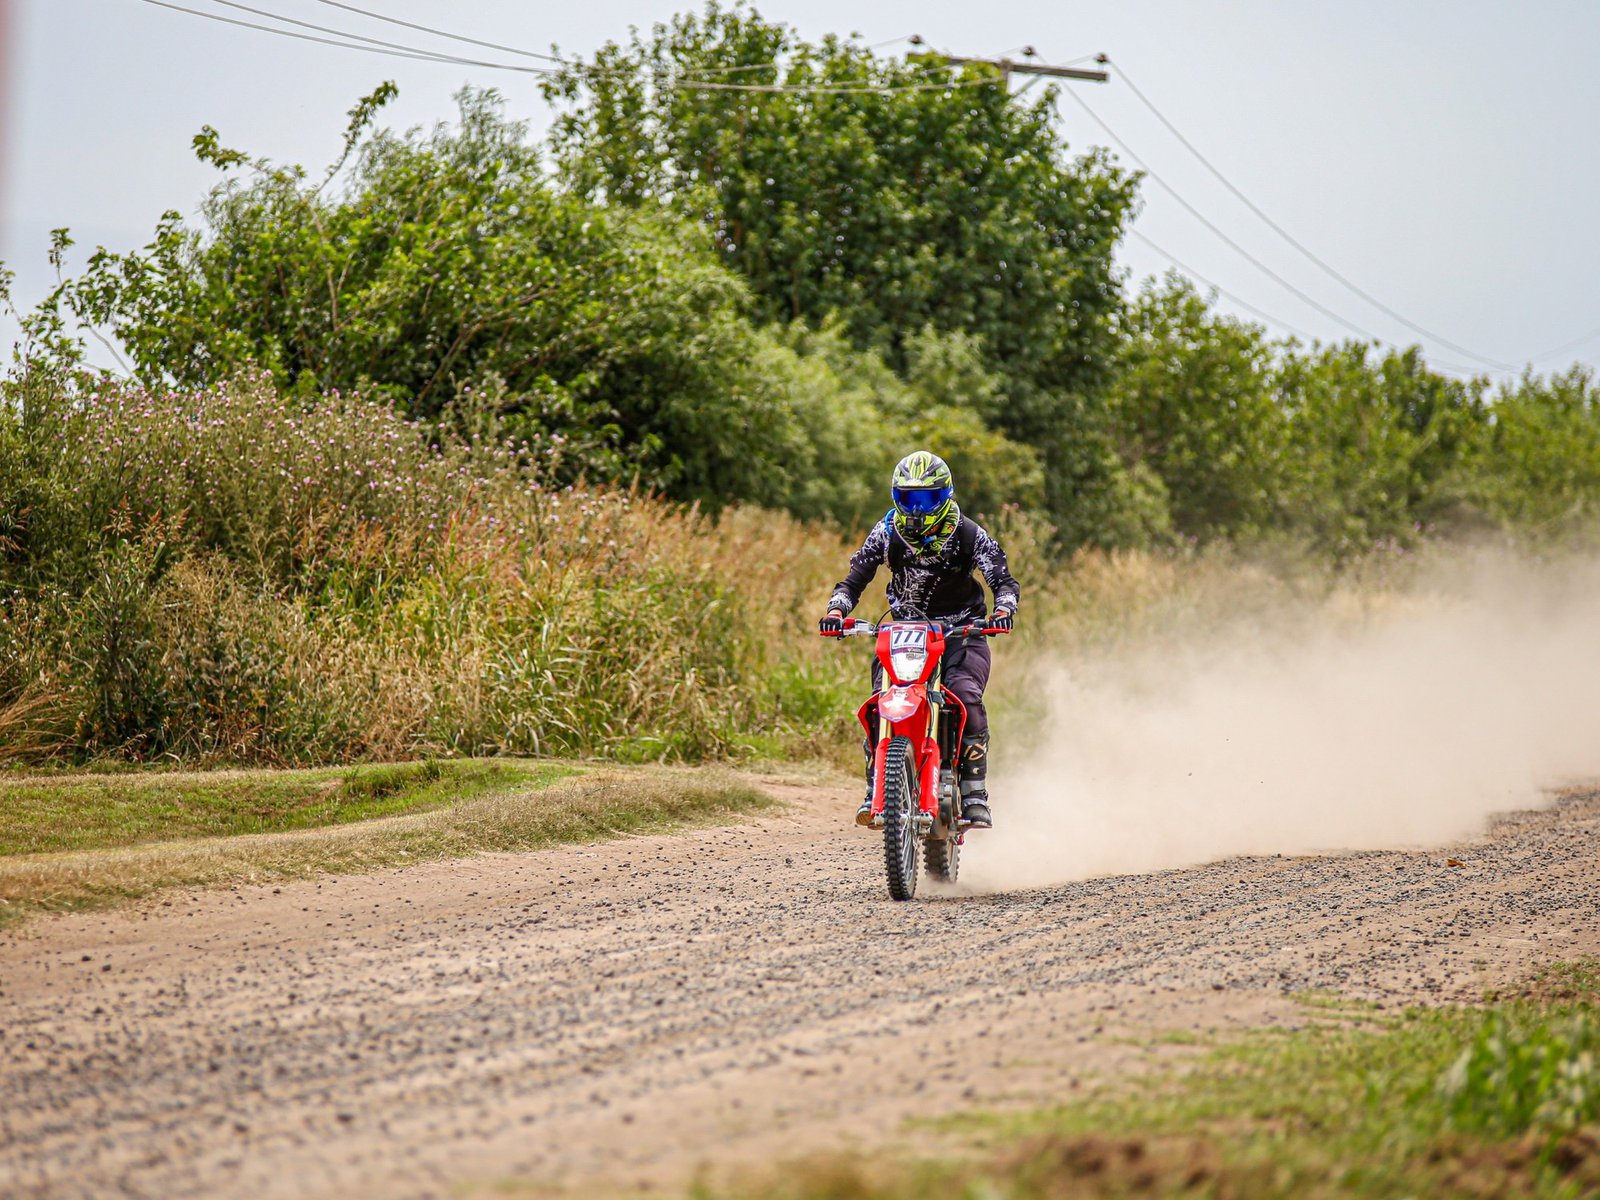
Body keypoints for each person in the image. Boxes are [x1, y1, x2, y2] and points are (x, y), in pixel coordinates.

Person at [819, 451, 1019, 829]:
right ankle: (877, 785)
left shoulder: (967, 532)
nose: (916, 508)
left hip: (963, 632)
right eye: (909, 498)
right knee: (882, 702)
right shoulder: (887, 530)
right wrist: (836, 611)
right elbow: (855, 576)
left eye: (926, 499)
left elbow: (1003, 580)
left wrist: (1003, 610)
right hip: (905, 633)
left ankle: (975, 792)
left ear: (944, 496)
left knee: (965, 695)